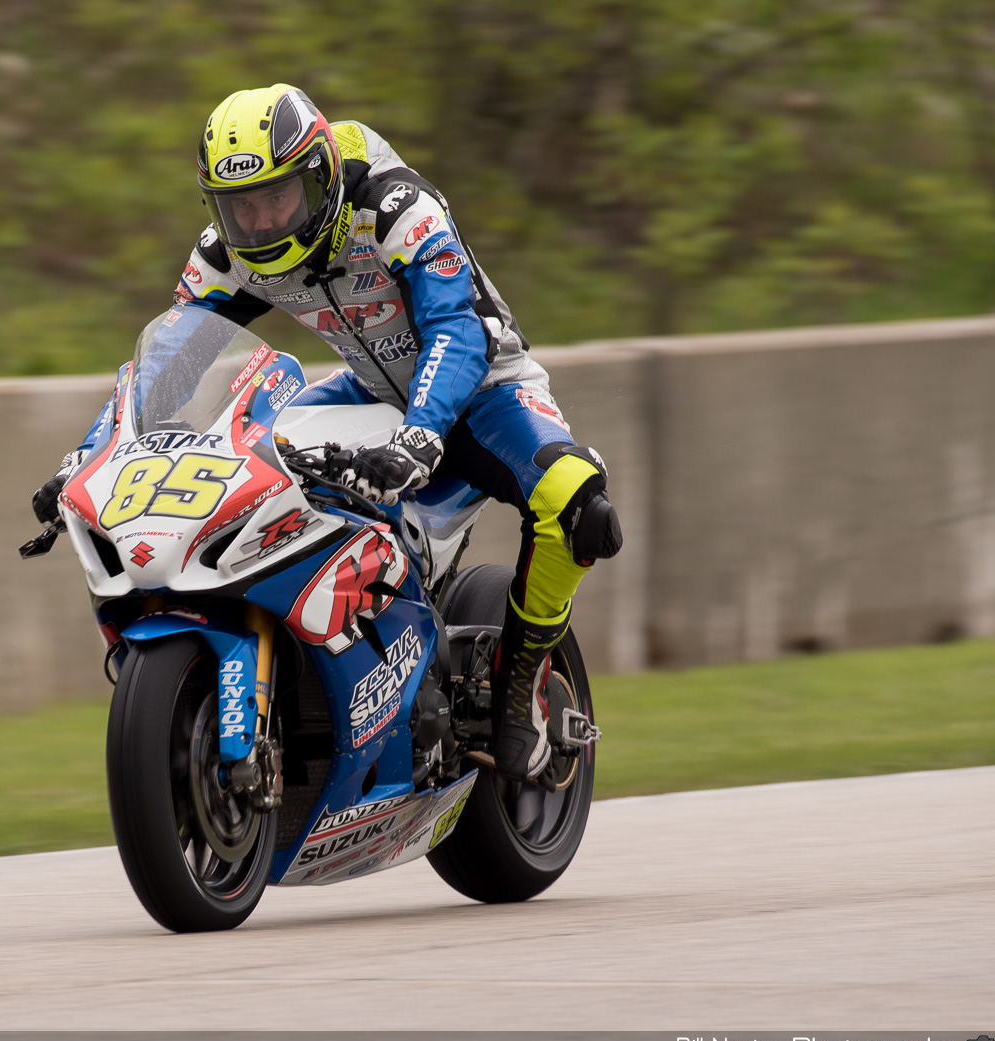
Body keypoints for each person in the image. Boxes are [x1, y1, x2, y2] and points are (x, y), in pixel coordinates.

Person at [32, 84, 622, 784]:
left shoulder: (395, 207)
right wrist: (91, 454)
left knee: (576, 500)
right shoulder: (232, 253)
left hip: (483, 393)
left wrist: (421, 434)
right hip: (367, 393)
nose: (257, 223)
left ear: (319, 178)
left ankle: (523, 686)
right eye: (237, 208)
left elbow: (456, 329)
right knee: (240, 466)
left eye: (275, 200)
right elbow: (167, 363)